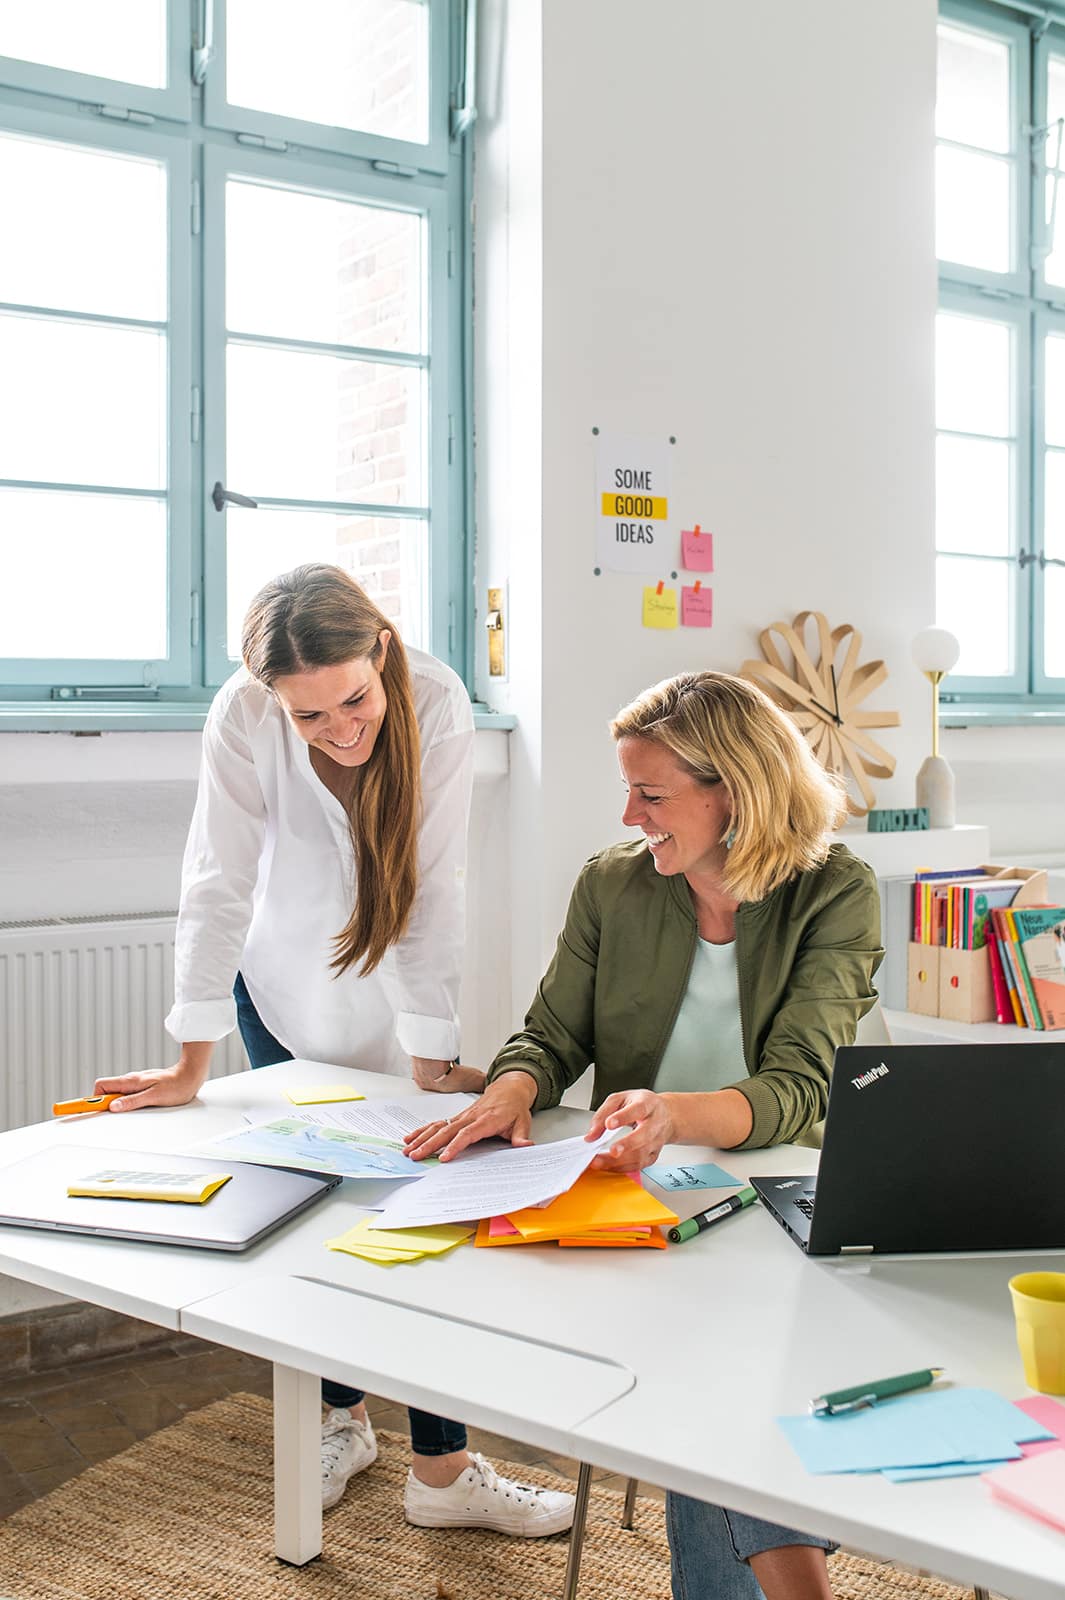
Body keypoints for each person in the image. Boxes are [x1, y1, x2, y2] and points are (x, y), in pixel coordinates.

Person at [95, 563, 573, 1539]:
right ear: (272, 698)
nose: (341, 728)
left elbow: (431, 890)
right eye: (309, 716)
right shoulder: (242, 712)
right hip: (277, 990)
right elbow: (218, 879)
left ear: (381, 652)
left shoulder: (435, 700)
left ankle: (442, 1470)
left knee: (418, 1226)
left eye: (353, 700)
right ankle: (341, 1423)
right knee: (307, 1219)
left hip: (398, 1003)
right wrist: (191, 1058)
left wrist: (430, 1054)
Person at [405, 670, 883, 1599]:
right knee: (709, 1361)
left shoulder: (834, 890)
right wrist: (510, 1089)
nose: (630, 815)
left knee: (716, 1363)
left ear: (734, 791)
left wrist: (672, 1114)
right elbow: (551, 1034)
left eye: (651, 795)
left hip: (787, 1193)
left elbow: (798, 1088)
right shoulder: (612, 884)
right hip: (642, 1199)